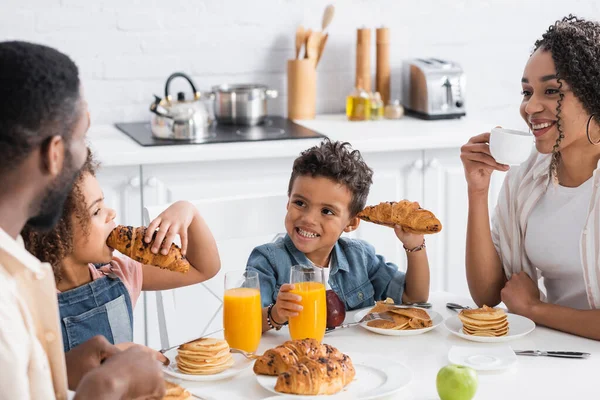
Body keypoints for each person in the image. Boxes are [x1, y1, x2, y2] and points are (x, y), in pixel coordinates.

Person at [0, 40, 165, 399]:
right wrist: (104, 387)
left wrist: (61, 372)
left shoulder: (15, 259)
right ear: (55, 154)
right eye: (81, 136)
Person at [461, 15, 600, 340]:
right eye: (527, 92)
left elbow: (522, 304)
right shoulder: (527, 173)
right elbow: (488, 295)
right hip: (553, 350)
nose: (530, 107)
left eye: (551, 91)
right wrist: (477, 190)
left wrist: (534, 309)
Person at [22, 151, 221, 352]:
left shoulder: (119, 273)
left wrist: (189, 211)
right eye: (96, 211)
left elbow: (203, 268)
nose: (111, 213)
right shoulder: (29, 301)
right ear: (57, 233)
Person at [246, 139, 430, 332]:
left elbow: (414, 298)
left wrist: (415, 245)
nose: (309, 219)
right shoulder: (268, 260)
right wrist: (275, 314)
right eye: (300, 203)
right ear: (288, 202)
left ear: (351, 223)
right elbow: (246, 322)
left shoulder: (360, 258)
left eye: (327, 211)